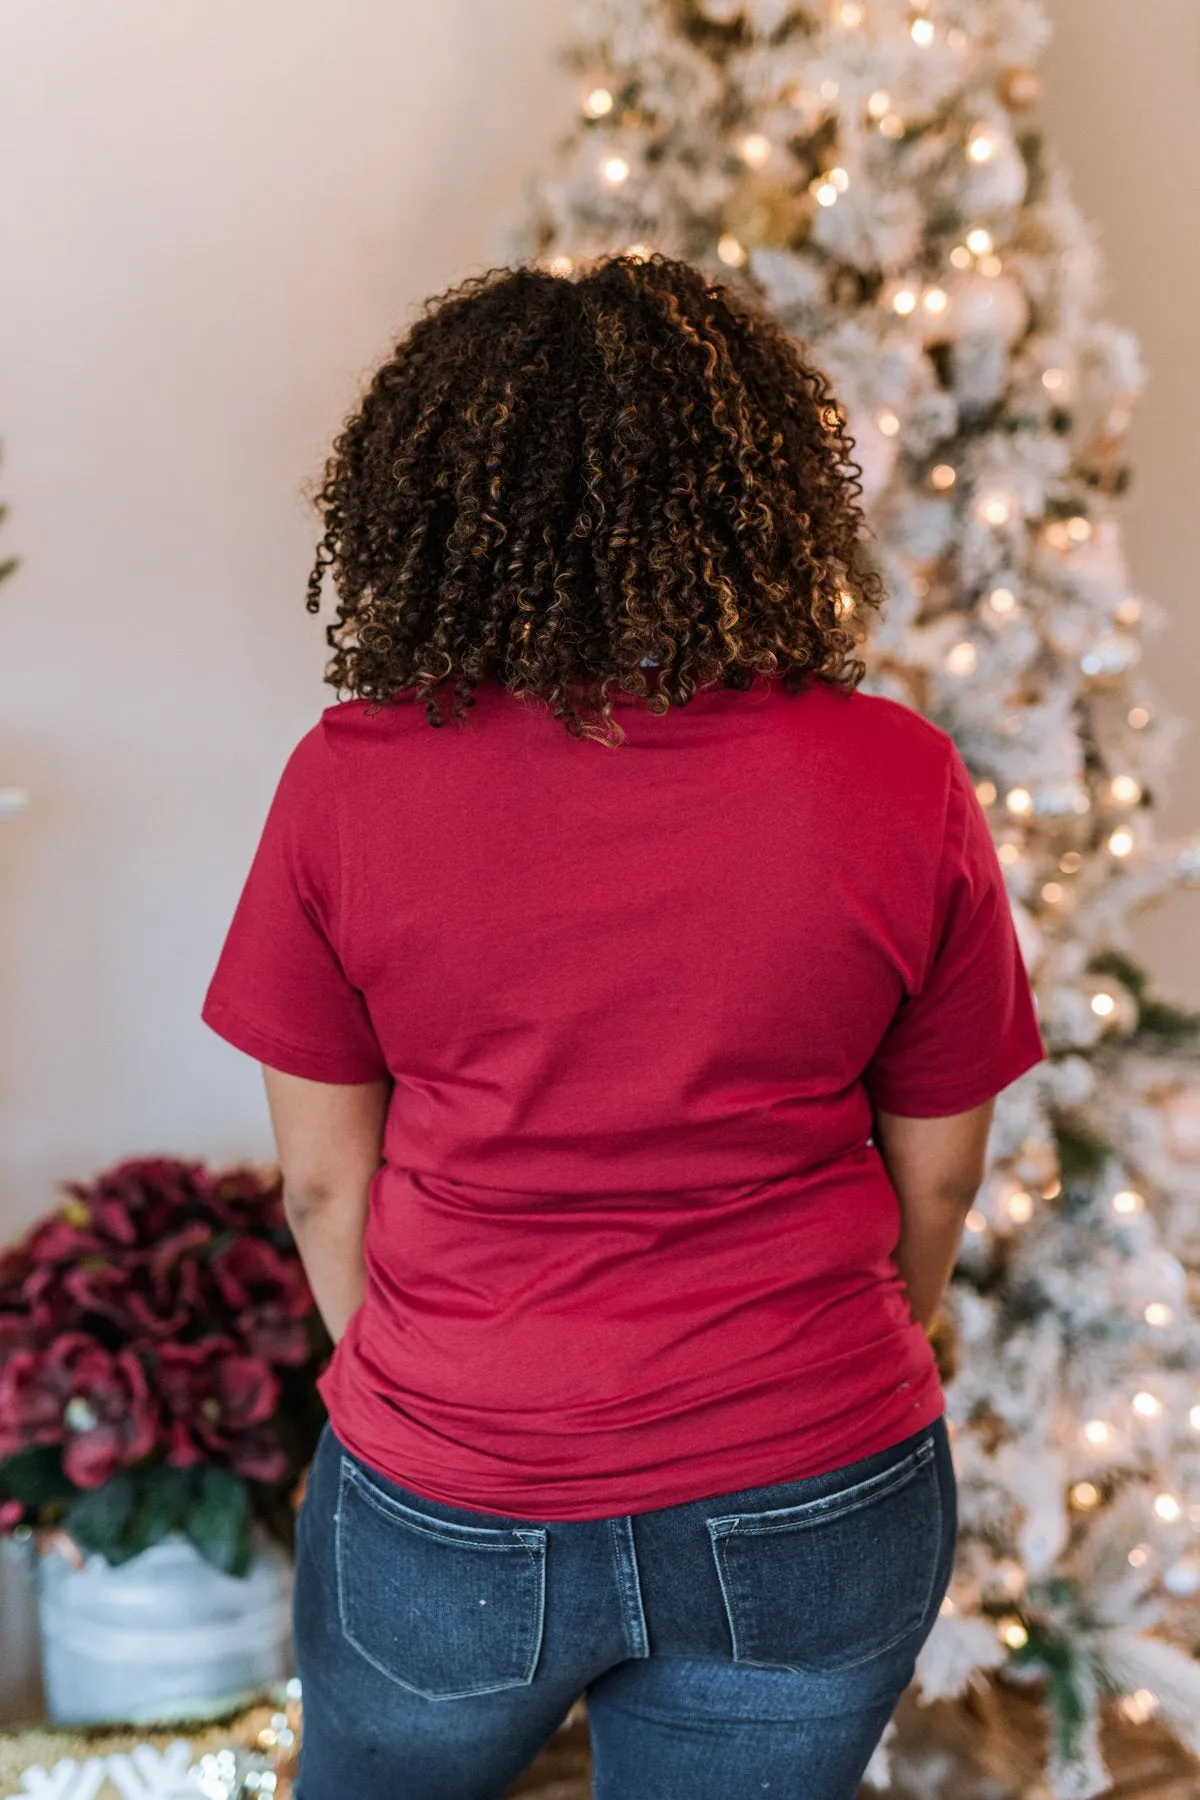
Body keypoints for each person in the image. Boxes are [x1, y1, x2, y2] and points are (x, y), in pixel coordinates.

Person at [202, 253, 1045, 1800]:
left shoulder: (349, 782)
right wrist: (844, 1357)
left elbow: (328, 1183)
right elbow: (937, 1178)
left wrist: (430, 1398)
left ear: (434, 501)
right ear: (763, 492)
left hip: (454, 1483)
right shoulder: (894, 777)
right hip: (818, 1474)